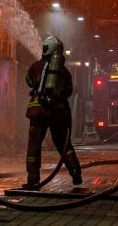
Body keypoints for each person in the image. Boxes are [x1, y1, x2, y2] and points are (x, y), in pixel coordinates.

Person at [22, 35, 82, 189]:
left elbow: (28, 81)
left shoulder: (36, 66)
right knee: (63, 143)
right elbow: (69, 91)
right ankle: (75, 171)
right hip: (58, 113)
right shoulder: (63, 71)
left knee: (34, 145)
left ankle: (33, 179)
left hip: (38, 112)